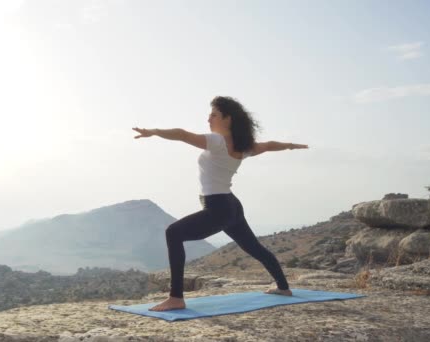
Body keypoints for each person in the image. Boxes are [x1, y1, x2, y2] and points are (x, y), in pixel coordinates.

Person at [132, 96, 309, 312]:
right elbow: (269, 145)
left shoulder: (217, 141)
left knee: (173, 233)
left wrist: (154, 131)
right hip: (231, 205)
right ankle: (283, 288)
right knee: (254, 247)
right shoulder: (244, 146)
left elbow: (182, 134)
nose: (209, 118)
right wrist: (291, 146)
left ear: (228, 119)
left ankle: (176, 297)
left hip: (218, 207)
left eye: (214, 114)